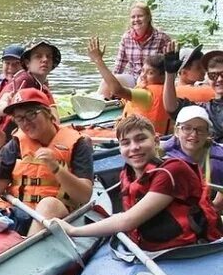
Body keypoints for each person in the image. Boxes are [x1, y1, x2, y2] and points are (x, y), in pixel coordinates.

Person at [54, 115, 221, 251]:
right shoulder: (128, 174)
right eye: (126, 143)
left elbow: (128, 221)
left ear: (156, 141)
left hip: (193, 250)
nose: (134, 147)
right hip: (153, 248)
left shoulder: (172, 171)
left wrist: (73, 231)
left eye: (141, 139)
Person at [0, 89, 94, 236]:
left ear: (48, 113)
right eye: (20, 118)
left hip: (55, 213)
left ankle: (27, 250)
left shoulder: (78, 144)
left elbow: (84, 196)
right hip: (18, 210)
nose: (26, 123)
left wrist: (56, 168)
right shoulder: (15, 145)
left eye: (31, 114)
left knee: (48, 204)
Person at [89, 36, 173, 134]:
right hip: (150, 135)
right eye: (143, 71)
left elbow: (117, 90)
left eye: (150, 73)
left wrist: (98, 60)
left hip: (138, 138)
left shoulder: (146, 95)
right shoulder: (169, 93)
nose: (143, 76)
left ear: (163, 77)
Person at [162, 106, 223, 208]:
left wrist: (216, 205)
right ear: (177, 131)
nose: (194, 134)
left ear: (208, 133)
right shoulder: (163, 159)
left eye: (201, 129)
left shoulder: (219, 157)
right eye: (187, 128)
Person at [107, 0, 171, 88]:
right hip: (134, 78)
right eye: (133, 17)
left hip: (154, 81)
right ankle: (98, 100)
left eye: (140, 16)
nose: (136, 19)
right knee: (107, 81)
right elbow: (120, 64)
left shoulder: (161, 38)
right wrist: (112, 82)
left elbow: (169, 66)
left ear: (148, 18)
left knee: (141, 80)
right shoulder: (126, 37)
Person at [163, 46, 223, 138]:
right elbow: (172, 107)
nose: (219, 79)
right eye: (213, 75)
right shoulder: (206, 109)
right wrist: (170, 73)